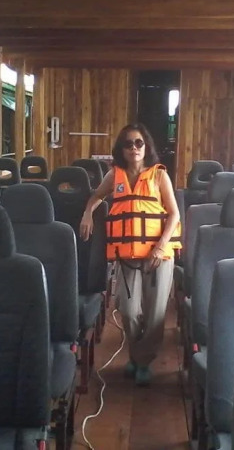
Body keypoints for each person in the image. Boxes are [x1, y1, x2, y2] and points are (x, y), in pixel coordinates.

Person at [79, 123, 181, 386]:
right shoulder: (115, 176)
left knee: (155, 314)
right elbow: (96, 196)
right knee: (129, 310)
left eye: (139, 143)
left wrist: (160, 246)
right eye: (128, 144)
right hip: (128, 255)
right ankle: (138, 357)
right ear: (121, 150)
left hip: (158, 255)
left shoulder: (159, 176)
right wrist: (88, 213)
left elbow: (174, 214)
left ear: (146, 147)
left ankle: (141, 362)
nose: (134, 148)